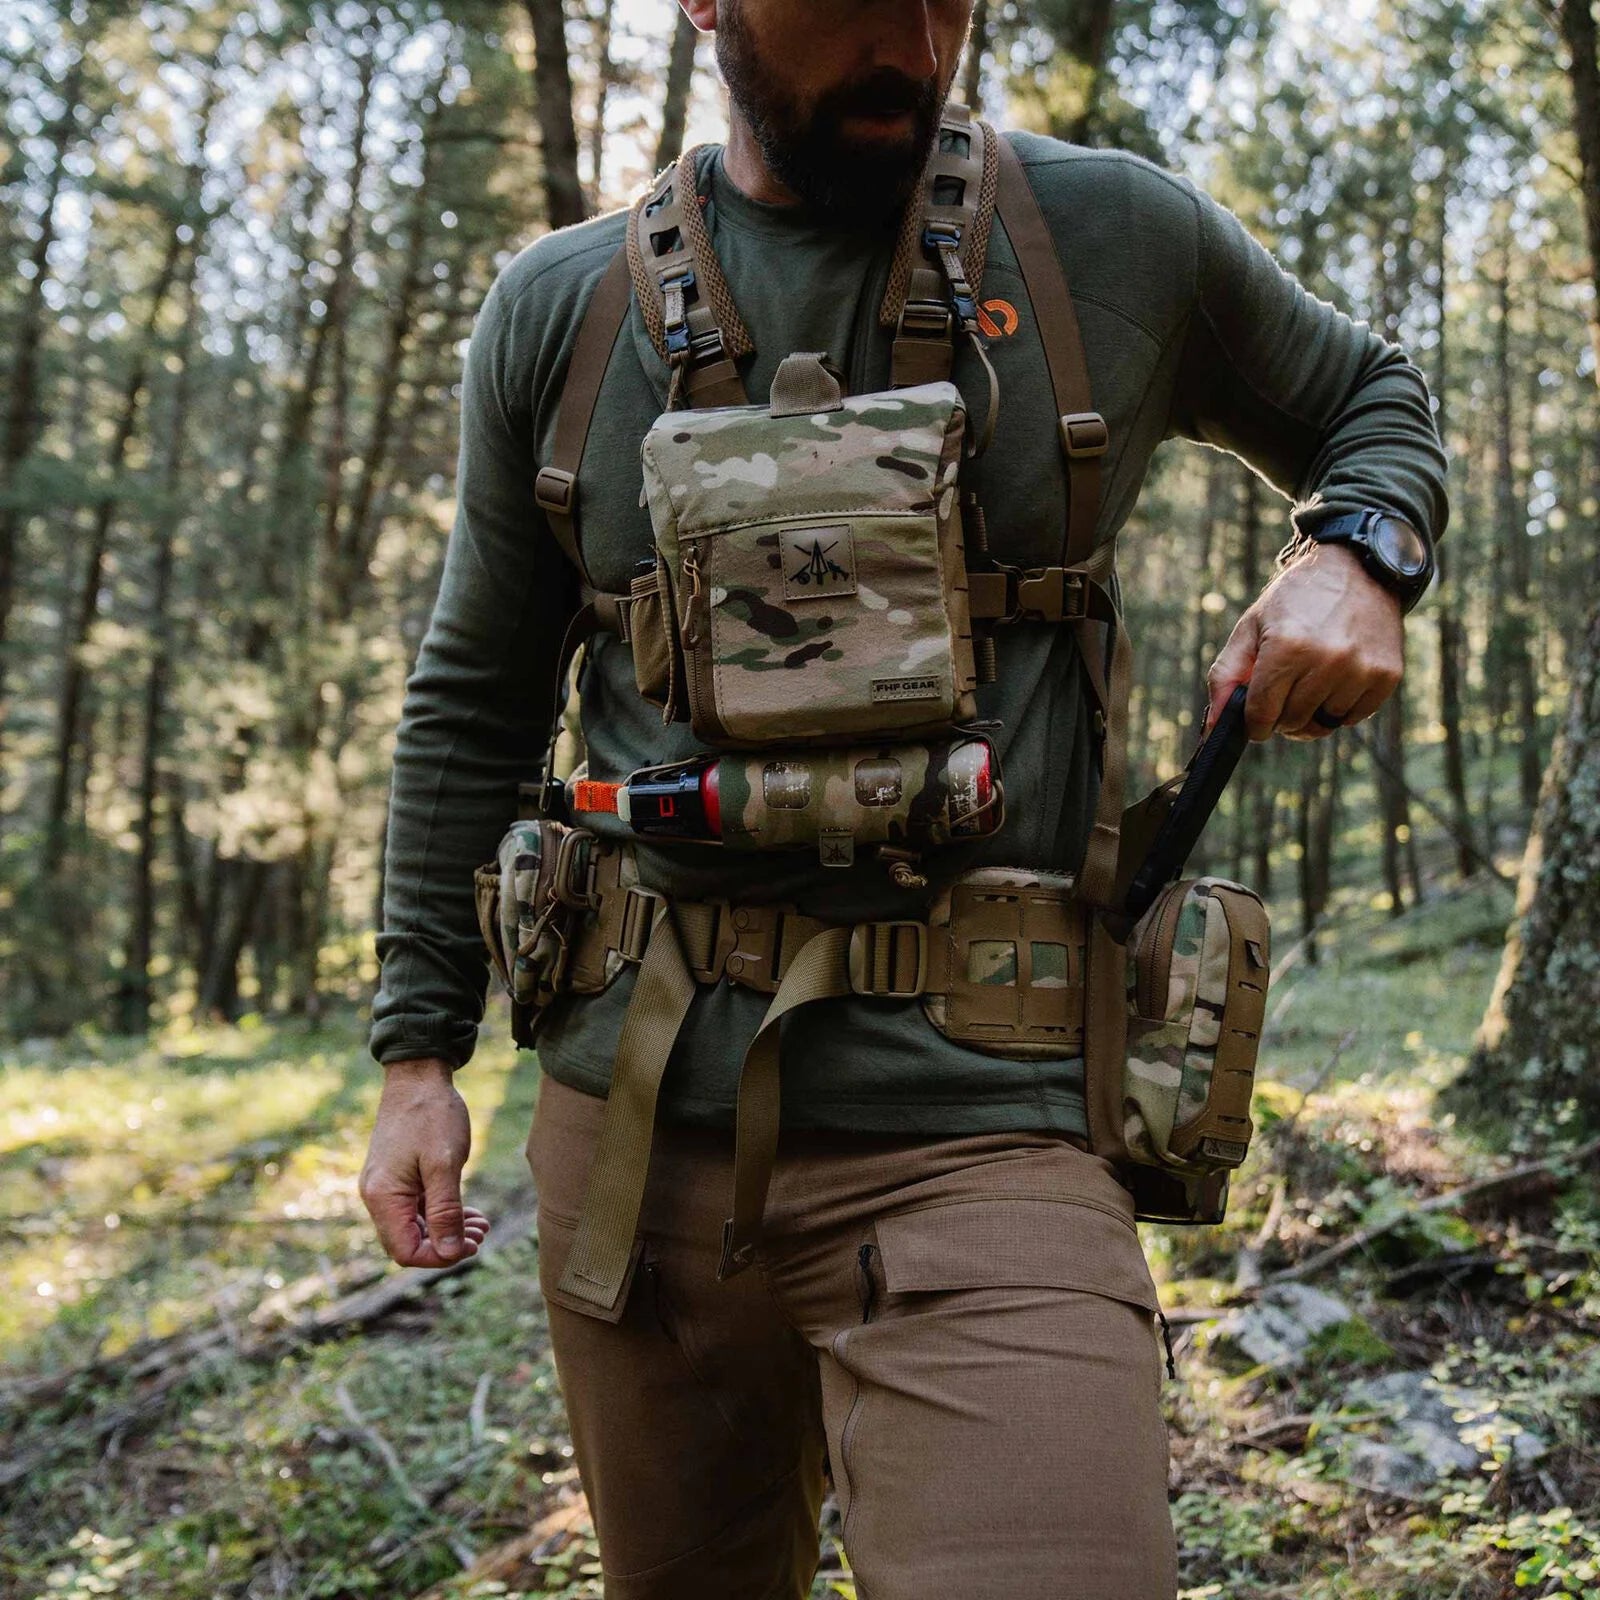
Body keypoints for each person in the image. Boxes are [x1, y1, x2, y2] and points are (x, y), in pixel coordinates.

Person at [359, 1, 1449, 1595]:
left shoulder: (1106, 237)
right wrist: (416, 1054)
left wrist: (1361, 550)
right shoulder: (559, 307)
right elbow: (470, 699)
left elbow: (1376, 394)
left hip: (991, 1131)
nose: (910, 38)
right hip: (637, 1139)